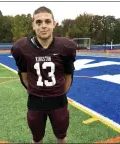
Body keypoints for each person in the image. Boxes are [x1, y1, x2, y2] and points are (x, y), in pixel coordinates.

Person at [11, 6, 77, 144]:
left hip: (59, 101)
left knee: (61, 137)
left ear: (54, 24)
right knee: (37, 139)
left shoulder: (65, 47)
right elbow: (24, 77)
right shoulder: (22, 47)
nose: (43, 26)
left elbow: (68, 76)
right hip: (35, 102)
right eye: (39, 22)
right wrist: (37, 91)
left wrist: (56, 93)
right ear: (33, 25)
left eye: (47, 21)